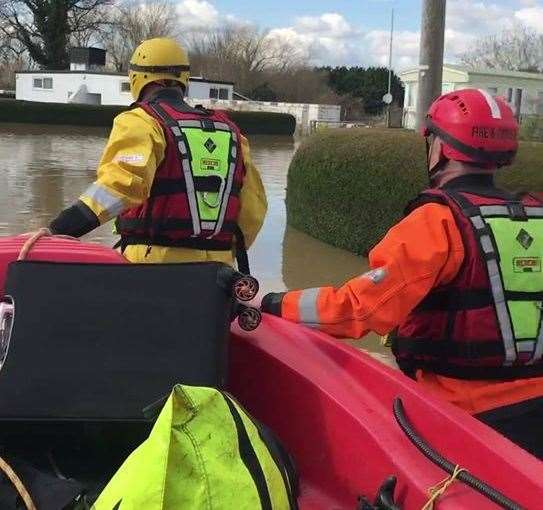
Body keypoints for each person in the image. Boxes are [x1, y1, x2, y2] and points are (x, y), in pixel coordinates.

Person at [262, 88, 543, 459]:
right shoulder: (536, 215)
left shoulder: (437, 221)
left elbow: (357, 310)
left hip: (464, 418)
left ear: (440, 148)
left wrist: (272, 302)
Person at [48, 38, 267, 272]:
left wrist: (60, 229)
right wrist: (221, 250)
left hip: (152, 268)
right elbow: (254, 210)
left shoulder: (141, 121)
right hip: (217, 272)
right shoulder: (231, 132)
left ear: (137, 77)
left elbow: (121, 186)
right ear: (183, 79)